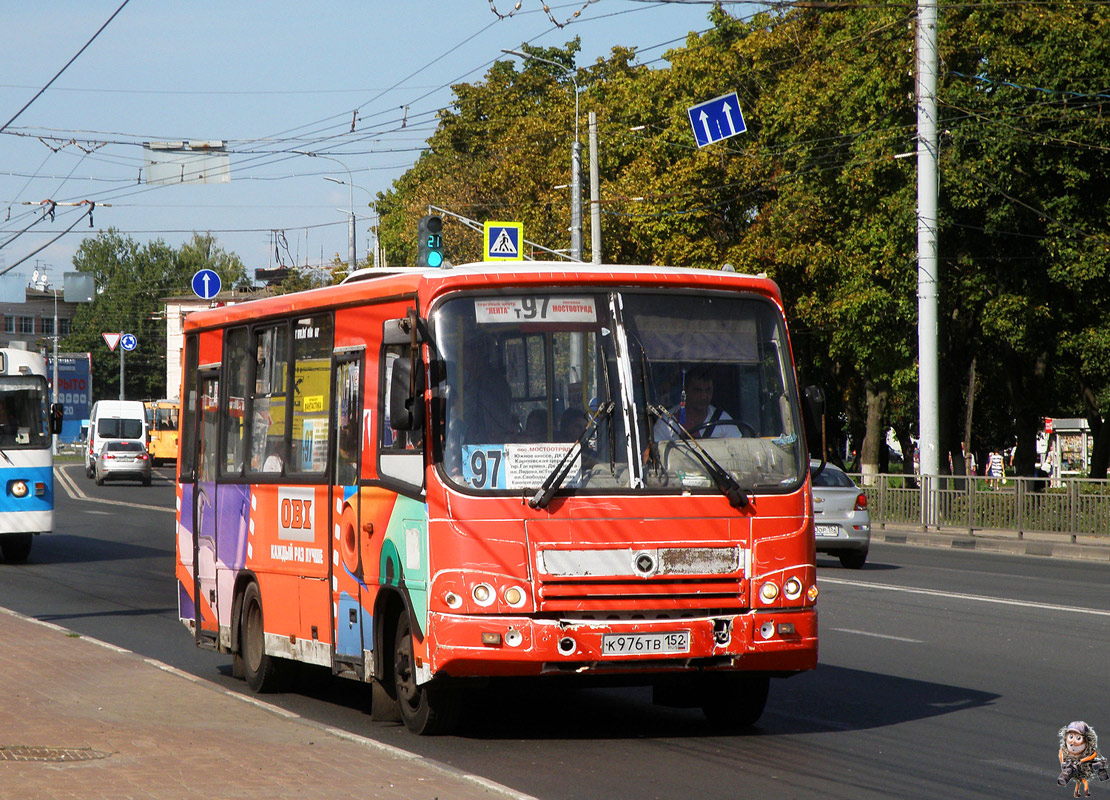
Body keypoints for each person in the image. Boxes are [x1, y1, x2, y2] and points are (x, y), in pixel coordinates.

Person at [653, 368, 738, 440]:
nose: (704, 396)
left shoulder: (722, 419)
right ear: (686, 390)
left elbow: (739, 450)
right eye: (698, 390)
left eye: (708, 390)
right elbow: (653, 454)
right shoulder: (668, 422)